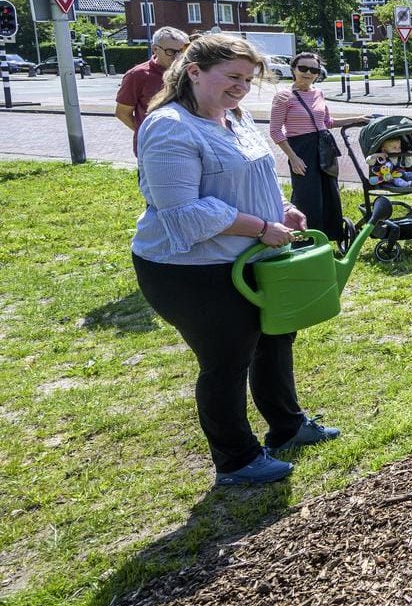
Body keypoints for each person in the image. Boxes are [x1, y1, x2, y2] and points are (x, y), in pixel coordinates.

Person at [130, 33, 336, 487]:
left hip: (251, 258)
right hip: (191, 269)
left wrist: (280, 209)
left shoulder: (235, 117)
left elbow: (252, 174)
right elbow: (183, 212)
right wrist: (261, 227)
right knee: (227, 358)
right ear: (194, 71)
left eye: (248, 78)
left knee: (275, 338)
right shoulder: (170, 127)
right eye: (233, 77)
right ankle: (236, 460)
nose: (242, 87)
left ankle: (287, 426)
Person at [269, 52, 367, 242]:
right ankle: (305, 239)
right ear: (293, 69)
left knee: (330, 193)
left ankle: (329, 237)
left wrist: (357, 119)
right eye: (303, 68)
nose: (308, 73)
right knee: (307, 196)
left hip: (324, 146)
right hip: (301, 149)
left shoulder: (318, 93)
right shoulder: (283, 96)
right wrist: (293, 157)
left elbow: (327, 122)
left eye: (313, 69)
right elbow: (275, 132)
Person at [115, 27, 189, 153]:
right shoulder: (138, 75)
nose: (178, 57)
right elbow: (122, 113)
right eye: (171, 51)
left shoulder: (190, 71)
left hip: (188, 143)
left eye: (182, 51)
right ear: (155, 49)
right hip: (154, 149)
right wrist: (148, 133)